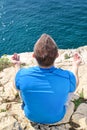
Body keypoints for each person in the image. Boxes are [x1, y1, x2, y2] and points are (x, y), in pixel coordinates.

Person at [12, 34, 81, 124]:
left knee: (20, 88)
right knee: (70, 90)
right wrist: (75, 65)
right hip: (57, 117)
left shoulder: (22, 74)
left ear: (33, 56)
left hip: (31, 116)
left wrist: (17, 65)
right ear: (57, 55)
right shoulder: (67, 76)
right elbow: (75, 84)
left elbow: (15, 86)